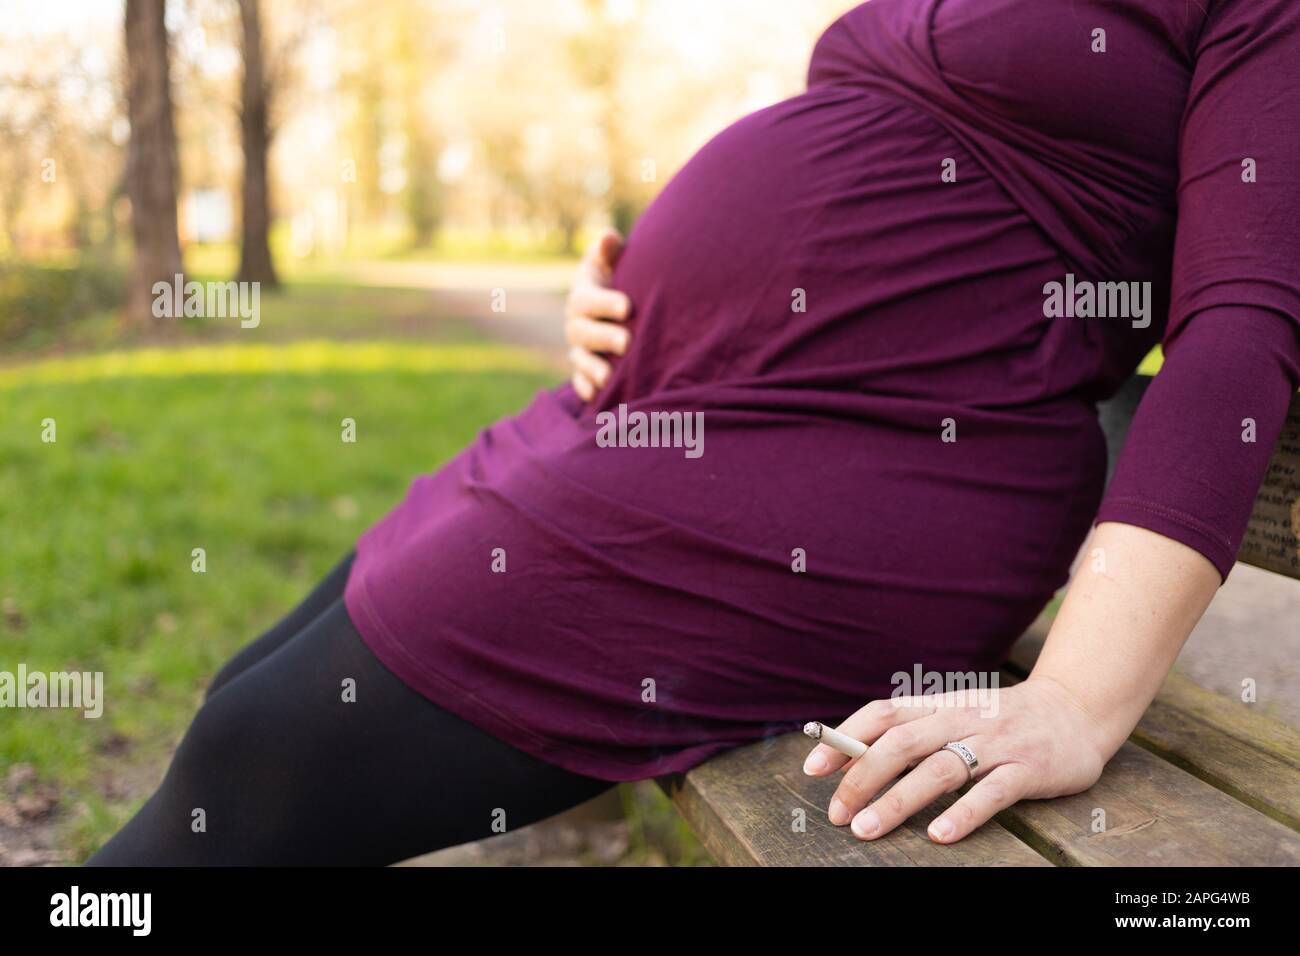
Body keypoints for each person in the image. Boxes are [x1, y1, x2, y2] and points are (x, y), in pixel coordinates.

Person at [88, 0, 1300, 865]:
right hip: (655, 408)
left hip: (854, 471)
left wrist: (1080, 695)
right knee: (245, 691)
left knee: (261, 756)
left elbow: (1241, 325)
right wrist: (632, 285)